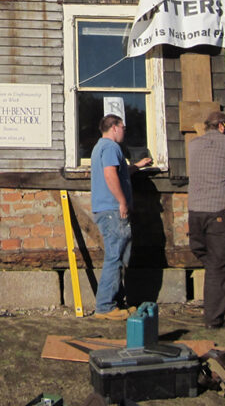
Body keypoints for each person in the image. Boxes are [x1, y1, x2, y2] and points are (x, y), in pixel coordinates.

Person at [90, 113, 152, 320]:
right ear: (114, 127)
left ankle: (116, 302)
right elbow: (110, 174)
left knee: (120, 256)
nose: (125, 130)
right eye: (123, 127)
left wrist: (137, 166)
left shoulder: (100, 147)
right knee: (115, 257)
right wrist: (122, 201)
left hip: (107, 209)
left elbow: (119, 171)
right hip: (112, 209)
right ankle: (106, 306)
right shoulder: (110, 147)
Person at [187, 110, 225, 328]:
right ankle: (214, 319)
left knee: (203, 254)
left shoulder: (193, 145)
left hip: (195, 212)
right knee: (219, 265)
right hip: (219, 211)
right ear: (222, 126)